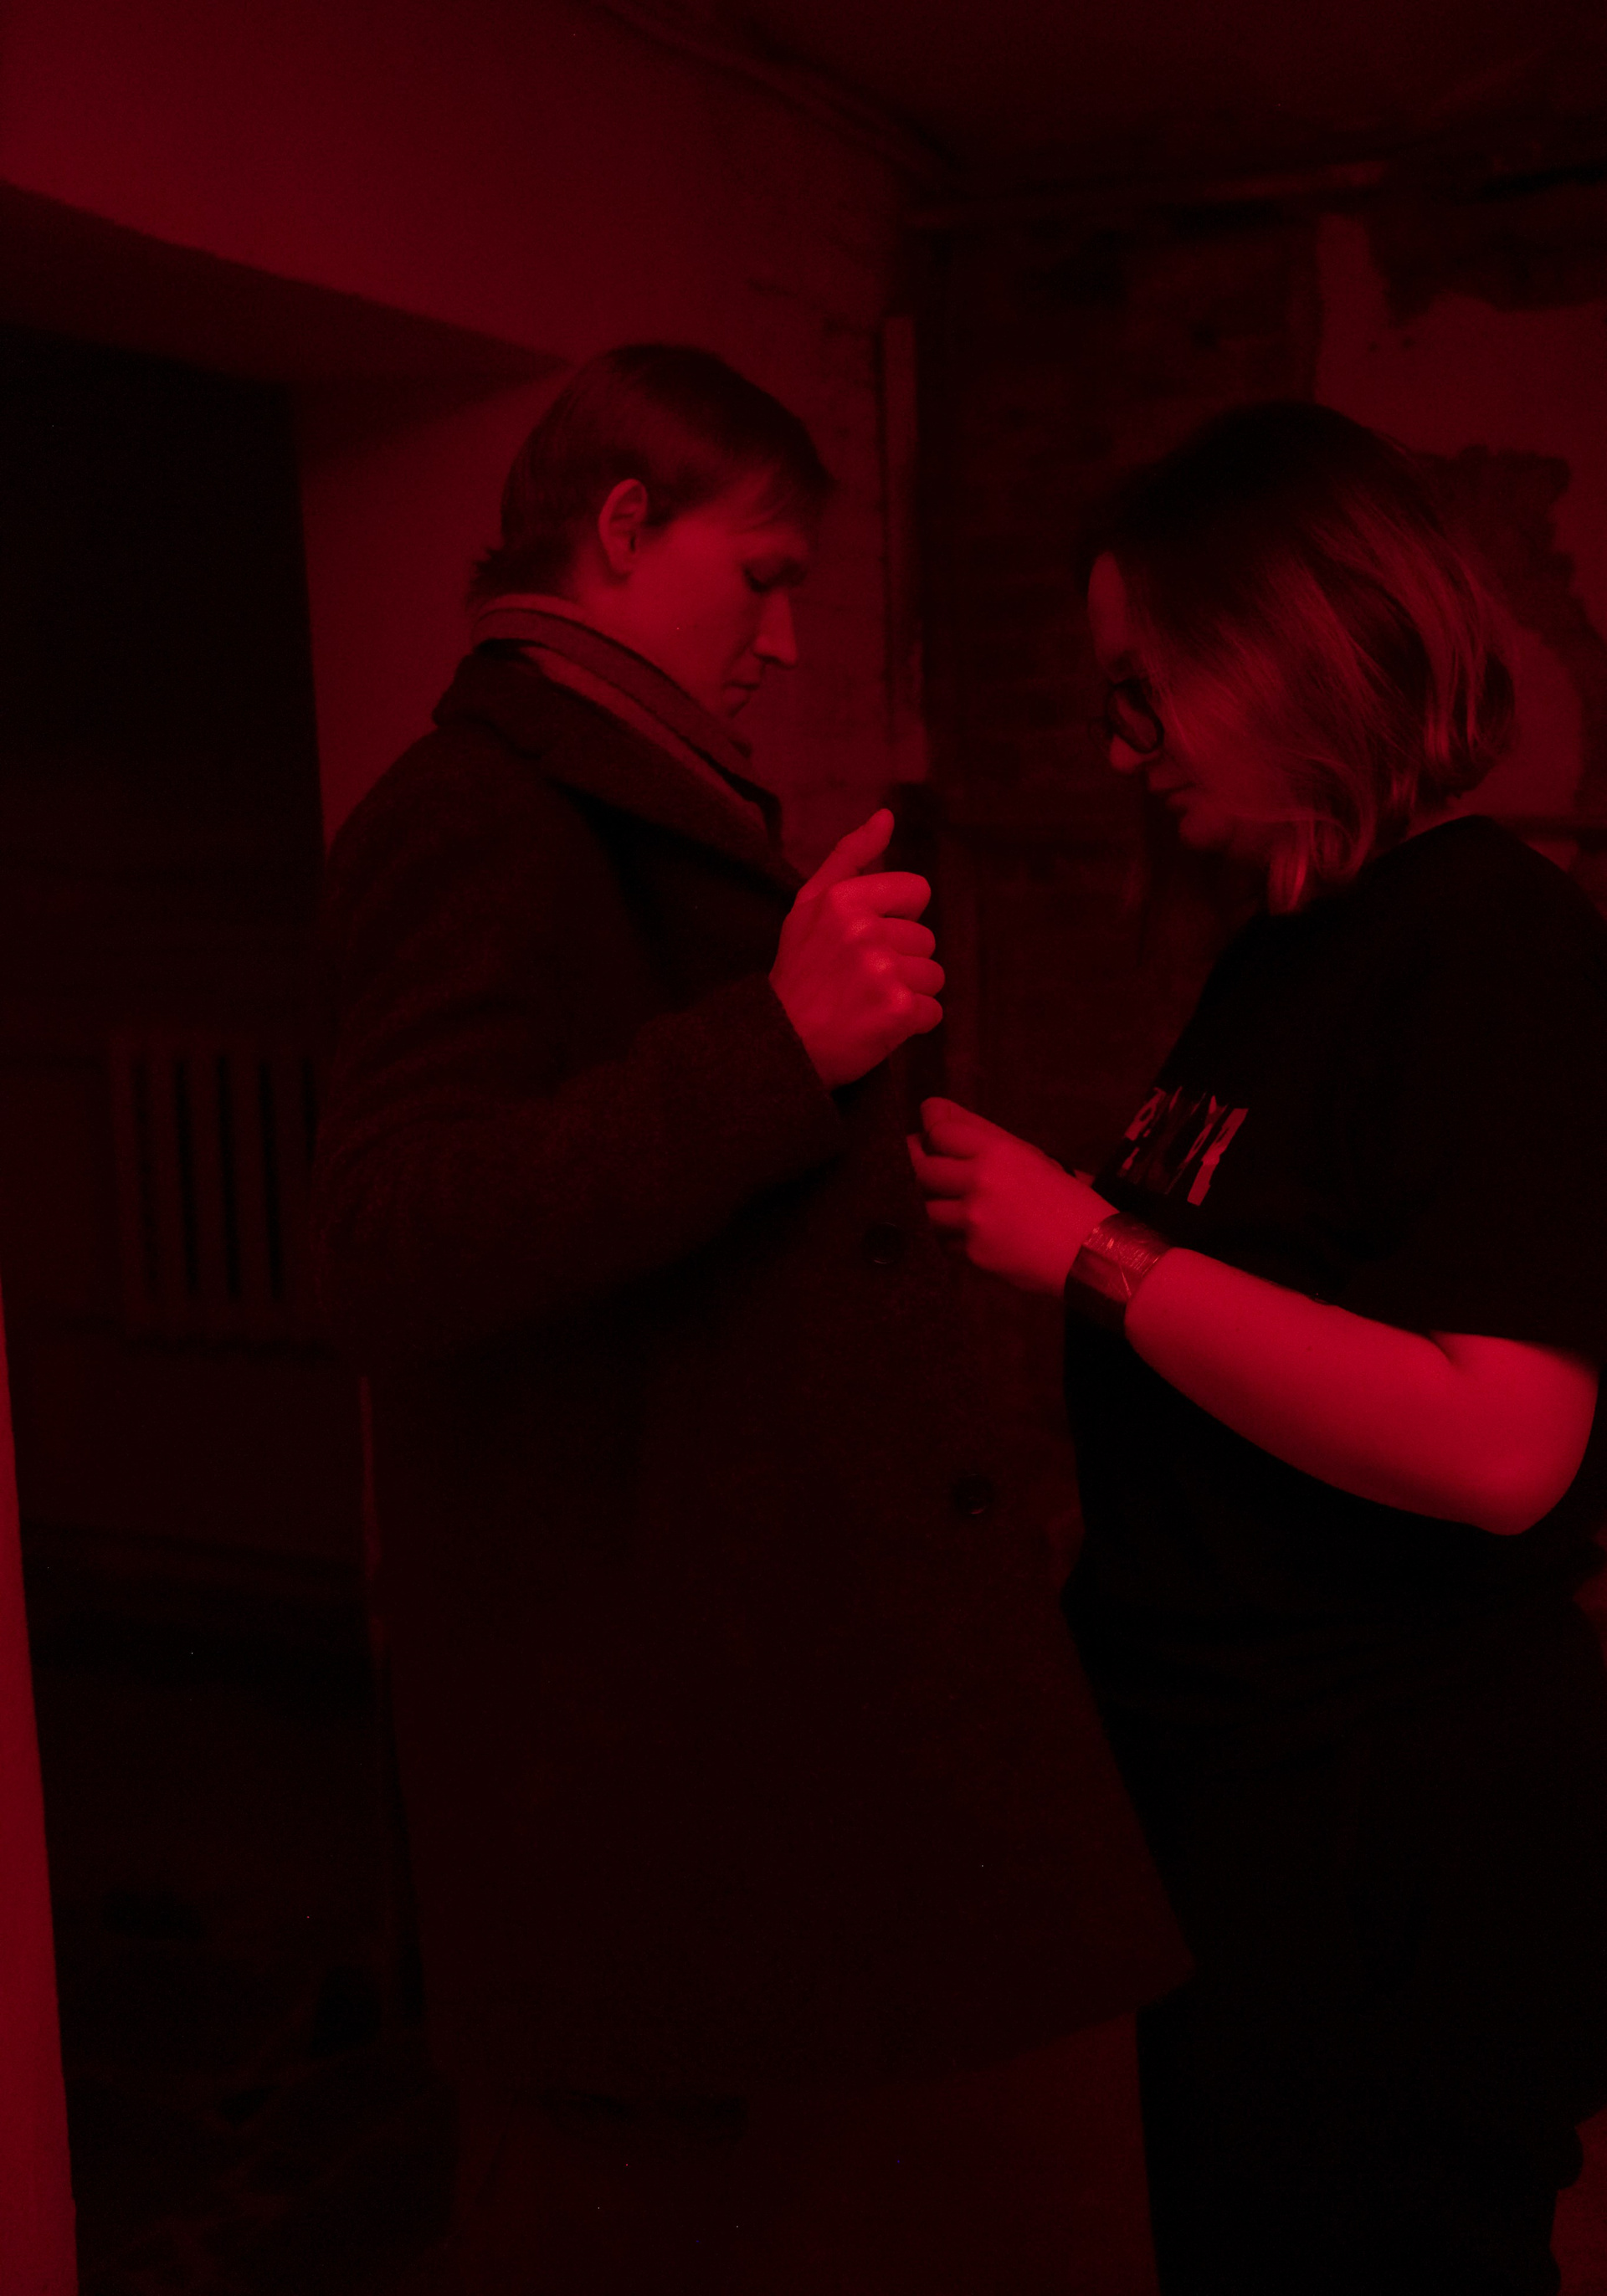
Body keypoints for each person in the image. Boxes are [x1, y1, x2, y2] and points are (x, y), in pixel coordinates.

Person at [308, 344, 1185, 2293]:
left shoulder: (625, 792)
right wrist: (777, 1045)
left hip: (733, 1708)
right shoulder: (479, 813)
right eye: (764, 576)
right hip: (645, 1751)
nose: (784, 643)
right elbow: (385, 1244)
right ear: (625, 528)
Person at [911, 400, 1607, 2296]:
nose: (1116, 741)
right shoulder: (1284, 946)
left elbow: (1502, 1445)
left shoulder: (1489, 949)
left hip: (1391, 1839)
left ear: (1285, 657)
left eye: (1145, 689)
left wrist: (1092, 1250)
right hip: (1251, 1815)